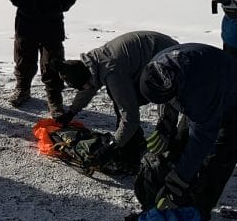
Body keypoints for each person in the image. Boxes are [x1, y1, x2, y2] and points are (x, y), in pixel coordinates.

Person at [138, 43, 237, 221]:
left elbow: (201, 141)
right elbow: (169, 98)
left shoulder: (199, 91)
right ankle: (172, 195)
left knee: (216, 160)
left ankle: (197, 215)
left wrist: (177, 182)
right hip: (214, 85)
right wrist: (166, 123)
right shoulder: (159, 66)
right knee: (180, 144)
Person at [55, 30, 179, 173]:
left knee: (130, 102)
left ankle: (142, 154)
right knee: (120, 98)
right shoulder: (92, 63)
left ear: (86, 79)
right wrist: (71, 112)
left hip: (169, 59)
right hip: (152, 53)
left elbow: (130, 116)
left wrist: (112, 146)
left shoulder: (112, 72)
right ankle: (134, 142)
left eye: (82, 86)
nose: (84, 89)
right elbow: (87, 90)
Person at [3, 0, 81, 115]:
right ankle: (22, 90)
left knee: (53, 61)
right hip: (26, 22)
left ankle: (55, 99)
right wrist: (20, 3)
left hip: (52, 23)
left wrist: (62, 6)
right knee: (24, 58)